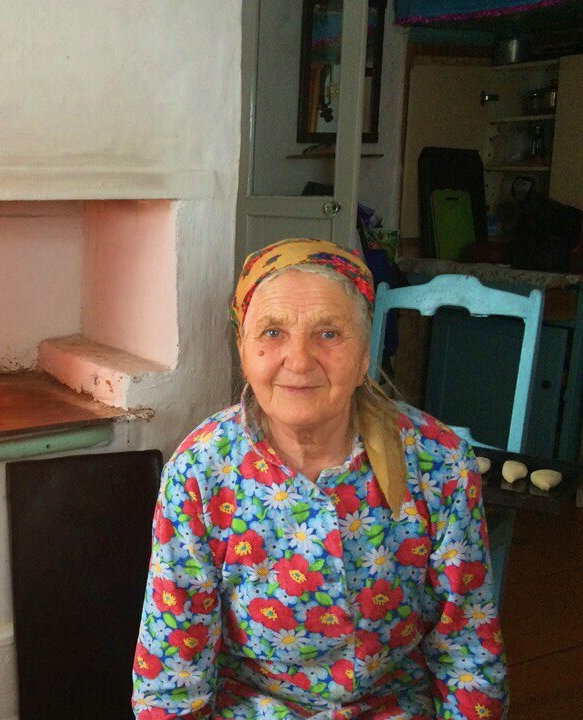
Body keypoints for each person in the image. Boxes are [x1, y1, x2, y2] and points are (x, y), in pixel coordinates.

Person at [132, 239, 507, 720]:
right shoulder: (200, 473)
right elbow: (172, 674)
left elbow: (467, 651)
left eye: (329, 334)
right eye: (272, 332)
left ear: (365, 353)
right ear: (243, 349)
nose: (300, 360)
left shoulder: (440, 464)